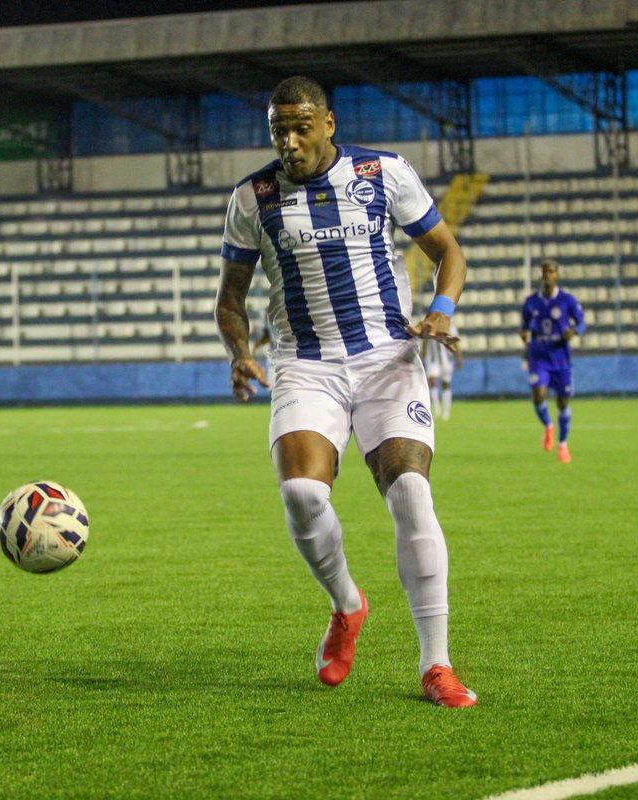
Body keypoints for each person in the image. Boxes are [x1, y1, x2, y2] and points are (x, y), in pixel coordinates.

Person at [215, 76, 476, 707]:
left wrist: (441, 309)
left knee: (411, 493)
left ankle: (435, 665)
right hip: (305, 364)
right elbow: (231, 298)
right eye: (279, 130)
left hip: (387, 356)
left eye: (302, 127)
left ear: (328, 124)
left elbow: (448, 252)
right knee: (303, 494)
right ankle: (346, 606)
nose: (290, 141)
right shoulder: (253, 197)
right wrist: (240, 352)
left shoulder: (384, 173)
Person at [520, 259, 586, 464]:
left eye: (551, 272)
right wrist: (524, 333)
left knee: (563, 401)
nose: (547, 275)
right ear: (542, 275)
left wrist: (574, 332)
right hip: (538, 356)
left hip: (560, 358)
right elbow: (524, 324)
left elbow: (582, 323)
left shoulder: (567, 300)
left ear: (557, 275)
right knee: (539, 394)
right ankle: (549, 426)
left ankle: (563, 444)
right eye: (545, 272)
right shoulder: (531, 302)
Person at [419, 322, 461, 420]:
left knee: (445, 384)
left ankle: (446, 412)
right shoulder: (429, 326)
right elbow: (425, 343)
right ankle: (436, 409)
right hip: (432, 360)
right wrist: (422, 357)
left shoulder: (451, 327)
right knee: (432, 381)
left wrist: (459, 359)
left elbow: (456, 344)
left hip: (446, 360)